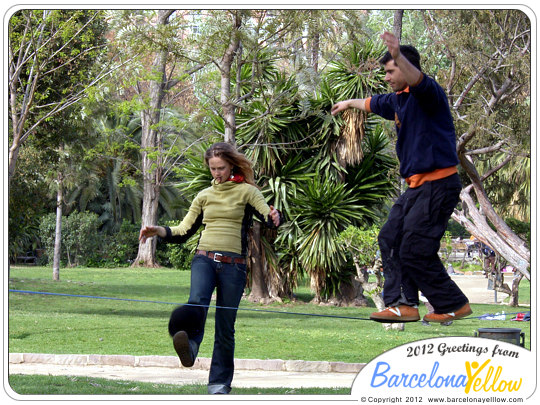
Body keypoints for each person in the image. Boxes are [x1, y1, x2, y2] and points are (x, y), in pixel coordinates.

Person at [331, 32, 471, 324]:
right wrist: (347, 103)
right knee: (390, 237)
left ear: (407, 67)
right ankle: (402, 304)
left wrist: (398, 54)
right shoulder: (398, 101)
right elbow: (371, 102)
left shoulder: (429, 94)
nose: (387, 77)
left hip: (438, 184)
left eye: (391, 70)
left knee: (415, 249)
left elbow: (417, 79)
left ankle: (452, 303)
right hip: (416, 188)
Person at [139, 142, 283, 394]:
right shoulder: (204, 196)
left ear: (232, 165)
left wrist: (275, 216)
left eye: (221, 168)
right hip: (204, 259)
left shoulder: (247, 192)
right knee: (196, 302)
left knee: (225, 327)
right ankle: (190, 347)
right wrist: (157, 231)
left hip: (234, 266)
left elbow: (266, 216)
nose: (217, 173)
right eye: (213, 169)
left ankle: (219, 384)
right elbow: (183, 231)